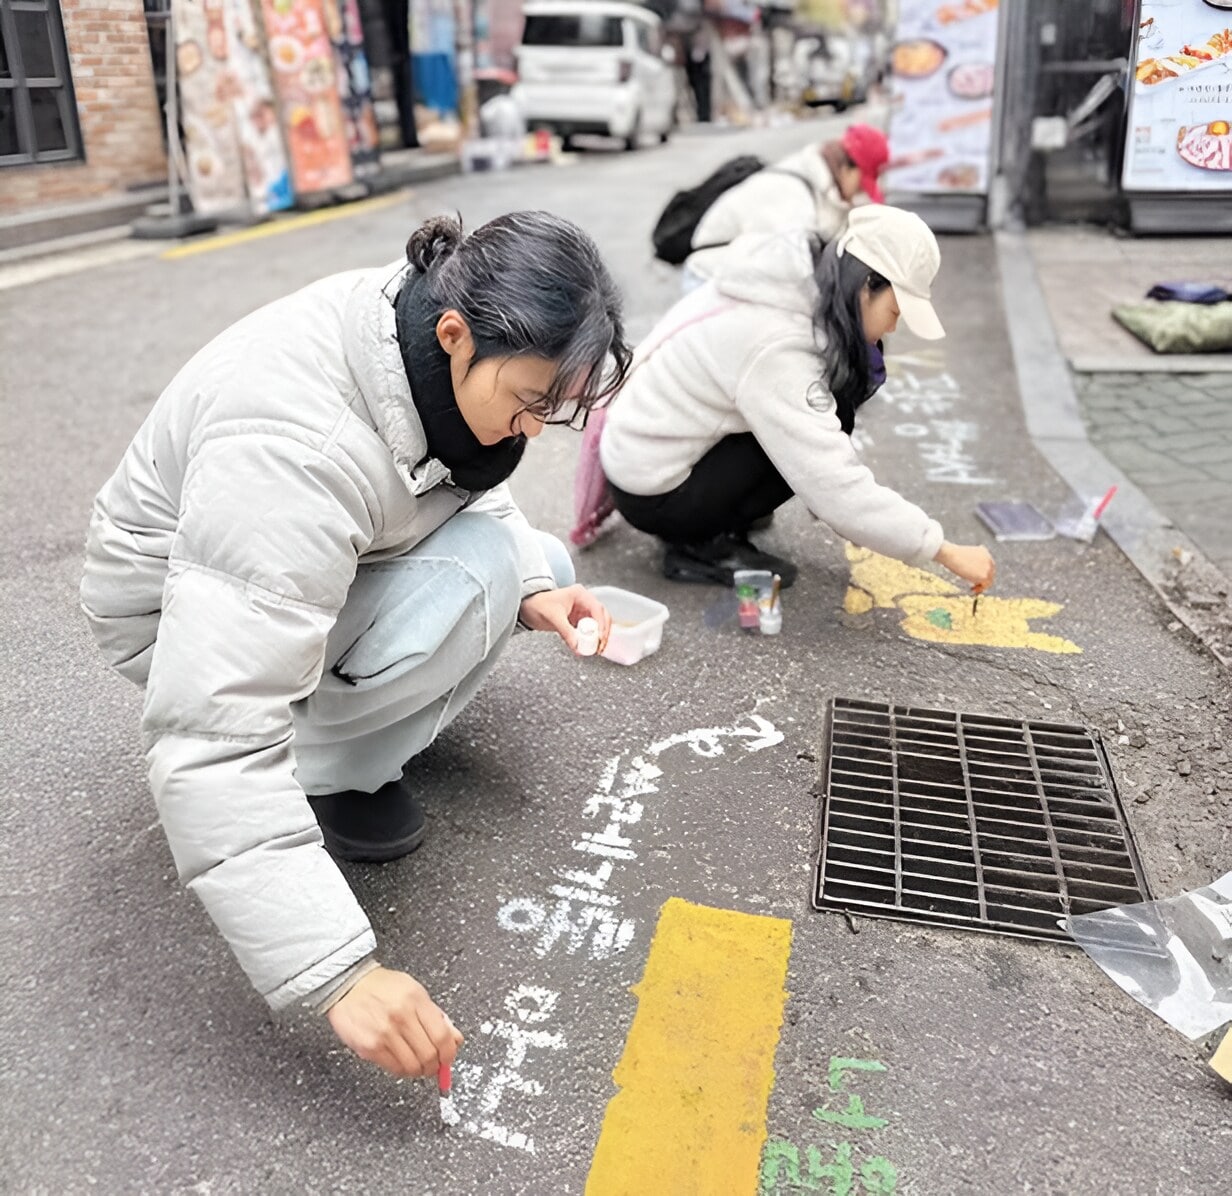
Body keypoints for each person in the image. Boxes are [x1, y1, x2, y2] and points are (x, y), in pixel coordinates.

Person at [80, 212, 630, 1082]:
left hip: (264, 574)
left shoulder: (417, 331)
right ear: (457, 335)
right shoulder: (294, 447)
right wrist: (338, 971)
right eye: (528, 404)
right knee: (483, 571)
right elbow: (212, 730)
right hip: (175, 618)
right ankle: (327, 768)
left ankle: (339, 737)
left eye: (551, 413)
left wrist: (535, 590)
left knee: (536, 565)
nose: (532, 432)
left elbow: (448, 487)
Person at [598, 204, 995, 595]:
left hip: (639, 456)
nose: (893, 326)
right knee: (822, 425)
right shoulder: (781, 346)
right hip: (650, 489)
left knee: (812, 422)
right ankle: (696, 545)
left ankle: (713, 516)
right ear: (866, 284)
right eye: (895, 310)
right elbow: (834, 485)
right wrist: (942, 550)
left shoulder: (791, 279)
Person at [686, 123, 889, 279]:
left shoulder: (824, 188)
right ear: (846, 169)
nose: (861, 192)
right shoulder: (793, 194)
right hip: (709, 276)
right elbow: (794, 270)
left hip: (743, 273)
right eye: (862, 183)